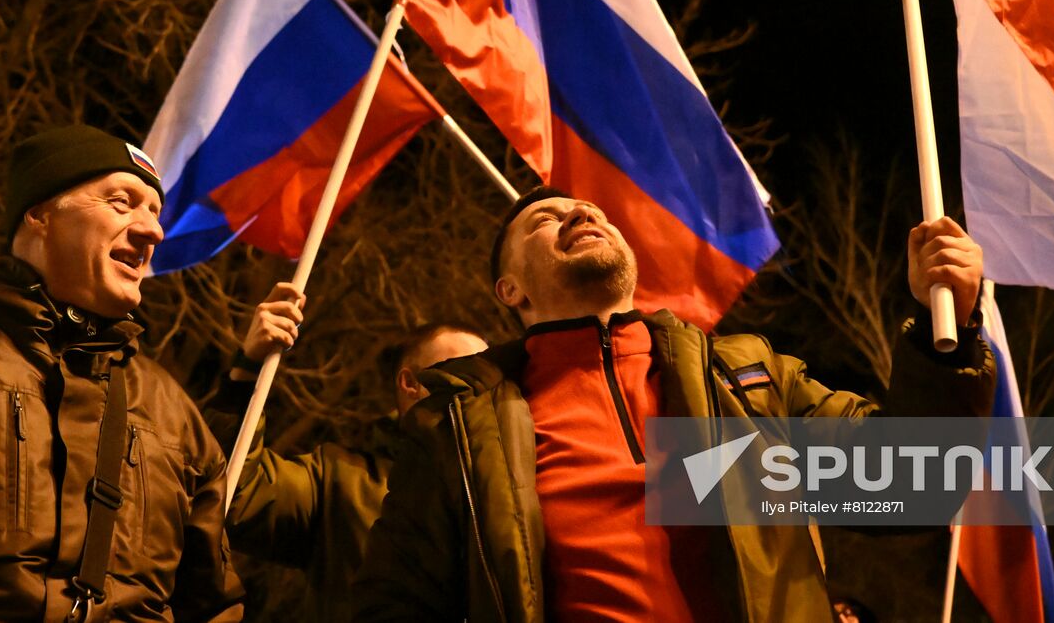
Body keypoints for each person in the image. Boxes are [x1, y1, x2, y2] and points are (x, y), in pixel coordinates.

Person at [356, 187, 996, 622]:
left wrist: (953, 335)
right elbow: (397, 603)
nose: (581, 212)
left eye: (592, 211)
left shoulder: (749, 379)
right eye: (545, 219)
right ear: (510, 289)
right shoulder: (454, 426)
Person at [0, 125, 244, 621]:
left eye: (154, 212)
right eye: (122, 203)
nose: (153, 231)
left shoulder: (174, 413)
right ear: (40, 213)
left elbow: (214, 606)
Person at [213, 298, 487, 621]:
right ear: (410, 383)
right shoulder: (341, 481)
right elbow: (237, 496)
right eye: (457, 372)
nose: (473, 388)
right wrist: (247, 371)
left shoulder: (514, 490)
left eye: (484, 378)